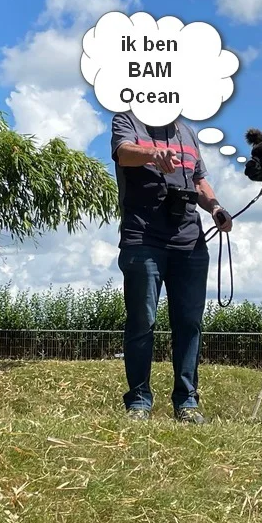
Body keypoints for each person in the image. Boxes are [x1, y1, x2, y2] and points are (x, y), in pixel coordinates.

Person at [111, 110, 232, 423]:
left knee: (189, 323)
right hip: (143, 238)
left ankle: (187, 403)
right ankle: (139, 402)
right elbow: (123, 153)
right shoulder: (126, 120)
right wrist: (153, 154)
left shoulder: (188, 133)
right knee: (142, 320)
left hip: (190, 242)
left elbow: (200, 179)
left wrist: (216, 207)